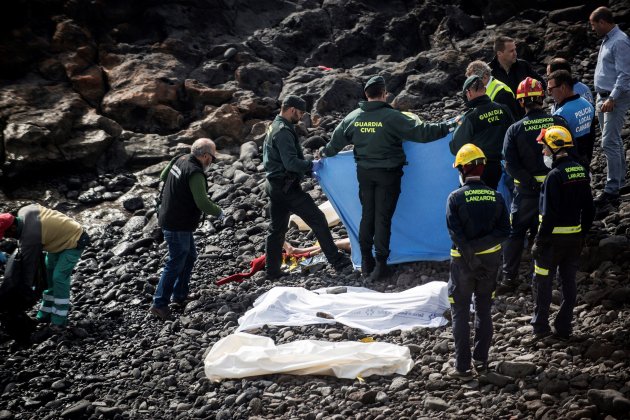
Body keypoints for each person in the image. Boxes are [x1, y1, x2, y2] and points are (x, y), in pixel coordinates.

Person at [321, 76, 455, 281]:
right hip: (388, 174)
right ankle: (381, 265)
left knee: (368, 216)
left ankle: (366, 261)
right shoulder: (392, 117)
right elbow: (423, 133)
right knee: (382, 218)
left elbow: (333, 146)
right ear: (384, 94)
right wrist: (450, 125)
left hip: (365, 174)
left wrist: (323, 154)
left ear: (366, 95)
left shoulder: (353, 117)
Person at [263, 95, 350, 280]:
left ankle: (272, 271)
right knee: (318, 219)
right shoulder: (283, 131)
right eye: (301, 113)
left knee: (276, 229)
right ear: (292, 109)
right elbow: (291, 163)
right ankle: (337, 261)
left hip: (274, 186)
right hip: (287, 188)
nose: (301, 117)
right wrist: (311, 164)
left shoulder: (274, 126)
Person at [446, 144, 510, 379]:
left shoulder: (455, 197)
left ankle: (462, 368)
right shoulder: (497, 197)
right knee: (484, 309)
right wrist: (483, 250)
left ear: (462, 169)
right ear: (482, 169)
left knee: (460, 312)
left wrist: (472, 258)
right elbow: (505, 230)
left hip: (463, 264)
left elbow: (456, 234)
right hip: (490, 262)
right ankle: (481, 361)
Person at [498, 77, 568, 293]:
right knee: (551, 231)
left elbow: (510, 164)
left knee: (516, 233)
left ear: (521, 102)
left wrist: (530, 183)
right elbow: (570, 155)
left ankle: (509, 279)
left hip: (526, 194)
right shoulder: (558, 123)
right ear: (542, 98)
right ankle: (552, 276)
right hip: (556, 191)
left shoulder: (515, 129)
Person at [529, 126, 594, 342]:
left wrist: (539, 241)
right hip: (574, 240)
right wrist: (582, 234)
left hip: (551, 242)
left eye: (545, 148)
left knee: (543, 283)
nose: (543, 152)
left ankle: (540, 328)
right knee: (569, 284)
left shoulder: (554, 176)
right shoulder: (581, 171)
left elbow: (548, 215)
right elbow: (590, 209)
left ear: (555, 147)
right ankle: (564, 327)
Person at [150, 138, 223, 321]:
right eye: (212, 158)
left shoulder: (179, 159)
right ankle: (159, 304)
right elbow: (202, 202)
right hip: (177, 223)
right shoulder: (195, 173)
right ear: (205, 156)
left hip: (170, 217)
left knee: (189, 256)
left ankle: (180, 295)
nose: (211, 162)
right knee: (176, 261)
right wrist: (219, 212)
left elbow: (163, 177)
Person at [0, 205, 90, 330]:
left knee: (59, 277)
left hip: (74, 240)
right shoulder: (24, 211)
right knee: (48, 278)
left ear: (13, 227)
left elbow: (29, 268)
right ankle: (45, 314)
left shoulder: (30, 237)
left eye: (6, 234)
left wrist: (24, 291)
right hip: (56, 242)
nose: (7, 238)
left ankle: (59, 320)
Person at [589, 6, 630, 206]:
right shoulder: (608, 40)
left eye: (594, 24)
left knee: (608, 143)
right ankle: (620, 182)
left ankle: (612, 188)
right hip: (602, 97)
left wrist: (612, 98)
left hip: (613, 99)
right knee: (614, 141)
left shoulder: (620, 41)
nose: (592, 29)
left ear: (603, 22)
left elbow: (624, 75)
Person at [450, 75, 514, 189]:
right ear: (485, 89)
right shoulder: (504, 109)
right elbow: (513, 136)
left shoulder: (470, 117)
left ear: (468, 93)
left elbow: (456, 147)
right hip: (500, 167)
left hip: (476, 168)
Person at [547, 70, 595, 167]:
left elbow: (557, 147)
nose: (549, 93)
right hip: (585, 159)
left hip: (570, 165)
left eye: (550, 89)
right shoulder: (588, 105)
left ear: (563, 87)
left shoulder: (560, 114)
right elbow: (592, 136)